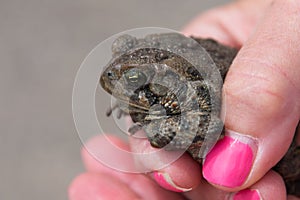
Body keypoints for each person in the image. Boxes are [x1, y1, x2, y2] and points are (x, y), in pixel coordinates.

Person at [69, 0, 300, 199]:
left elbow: (211, 127)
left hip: (286, 152)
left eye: (133, 78)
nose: (111, 71)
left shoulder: (188, 91)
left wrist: (162, 128)